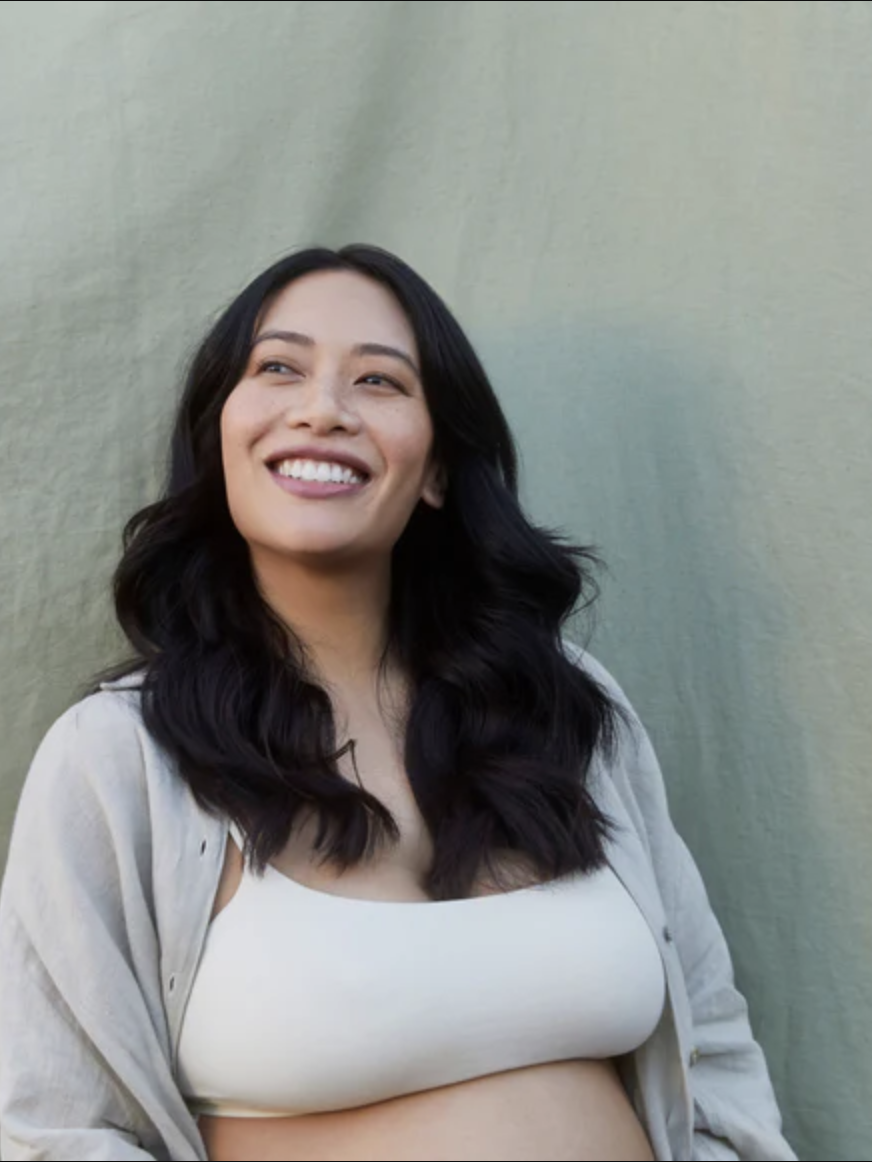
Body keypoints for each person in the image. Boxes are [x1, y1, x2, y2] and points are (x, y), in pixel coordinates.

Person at [0, 244, 796, 1162]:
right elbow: (63, 1131)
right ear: (220, 438)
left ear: (438, 472)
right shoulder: (117, 758)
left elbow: (715, 1043)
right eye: (279, 368)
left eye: (379, 381)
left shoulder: (562, 706)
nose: (323, 408)